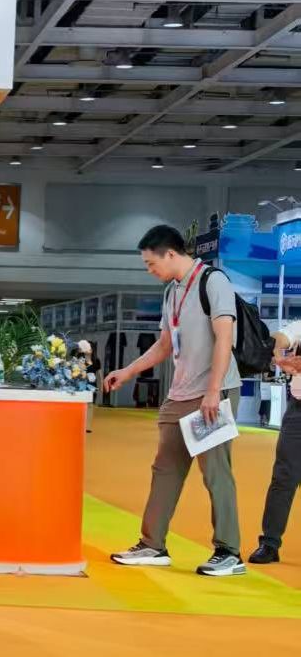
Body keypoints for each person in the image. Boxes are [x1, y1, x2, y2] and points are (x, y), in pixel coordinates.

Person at [105, 224, 243, 577]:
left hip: (212, 393)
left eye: (151, 263)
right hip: (179, 394)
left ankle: (229, 552)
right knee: (165, 470)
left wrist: (213, 391)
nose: (149, 270)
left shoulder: (213, 282)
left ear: (170, 254)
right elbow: (165, 344)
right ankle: (153, 545)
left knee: (215, 472)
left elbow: (224, 338)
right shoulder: (172, 291)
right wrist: (128, 371)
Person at [248, 319, 301, 564]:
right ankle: (269, 543)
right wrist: (279, 355)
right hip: (298, 411)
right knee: (283, 477)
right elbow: (281, 337)